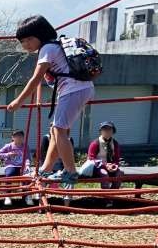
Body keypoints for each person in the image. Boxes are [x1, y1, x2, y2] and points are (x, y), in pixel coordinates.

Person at [6, 15, 94, 190]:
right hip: (80, 88)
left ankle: (70, 171)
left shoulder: (47, 48)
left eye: (29, 39)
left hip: (72, 90)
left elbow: (35, 79)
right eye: (22, 41)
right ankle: (46, 168)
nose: (26, 45)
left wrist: (18, 101)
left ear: (41, 34)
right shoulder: (56, 45)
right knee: (56, 131)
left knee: (58, 130)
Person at [0, 130, 32, 206]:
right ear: (13, 138)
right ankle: (7, 196)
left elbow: (27, 157)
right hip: (11, 165)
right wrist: (8, 154)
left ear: (23, 137)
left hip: (22, 166)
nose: (19, 138)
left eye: (20, 136)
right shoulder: (8, 146)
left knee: (27, 176)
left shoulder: (25, 146)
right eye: (16, 136)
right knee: (9, 174)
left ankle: (27, 196)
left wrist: (27, 164)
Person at [86, 121, 122, 193]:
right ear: (101, 131)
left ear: (113, 131)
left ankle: (112, 194)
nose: (107, 131)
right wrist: (105, 165)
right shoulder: (95, 143)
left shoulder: (115, 143)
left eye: (109, 129)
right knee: (104, 174)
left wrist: (115, 165)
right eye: (104, 129)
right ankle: (106, 198)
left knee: (120, 173)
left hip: (111, 167)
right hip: (98, 168)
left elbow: (117, 158)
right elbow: (91, 158)